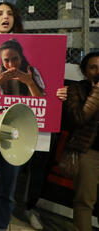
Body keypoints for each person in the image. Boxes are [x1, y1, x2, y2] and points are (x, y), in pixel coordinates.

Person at [0, 2, 68, 231]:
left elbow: (44, 98)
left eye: (10, 13)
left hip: (14, 131)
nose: (5, 17)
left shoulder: (32, 71)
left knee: (6, 189)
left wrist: (53, 92)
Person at [63, 52, 99, 231]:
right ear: (85, 72)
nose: (98, 71)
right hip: (88, 153)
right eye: (93, 67)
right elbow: (79, 119)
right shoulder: (76, 89)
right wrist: (97, 92)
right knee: (85, 201)